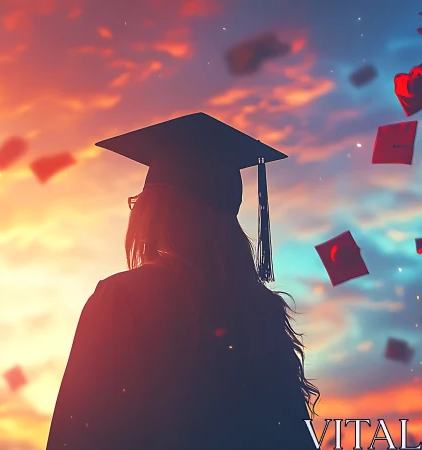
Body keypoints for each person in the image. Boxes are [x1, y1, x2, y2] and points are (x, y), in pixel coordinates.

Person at [46, 113, 319, 450]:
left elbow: (79, 430)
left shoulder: (124, 297)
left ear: (157, 210)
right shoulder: (262, 311)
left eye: (139, 203)